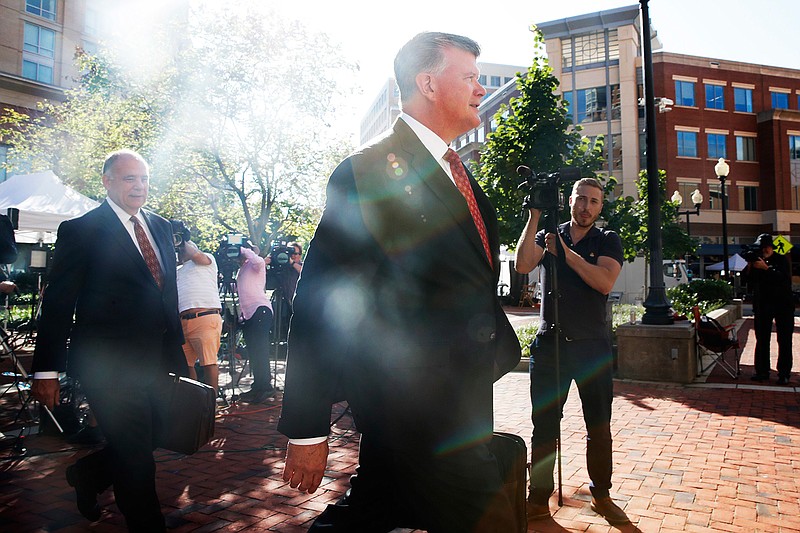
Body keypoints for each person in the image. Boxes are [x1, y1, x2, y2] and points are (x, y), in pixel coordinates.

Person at [278, 32, 520, 532]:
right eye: (470, 77)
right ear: (428, 83)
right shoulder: (367, 172)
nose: (480, 89)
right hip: (415, 412)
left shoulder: (465, 178)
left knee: (375, 509)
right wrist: (306, 427)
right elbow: (322, 301)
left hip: (462, 403)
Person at [30, 149, 185, 531]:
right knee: (136, 457)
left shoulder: (162, 227)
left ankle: (90, 474)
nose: (139, 186)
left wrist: (180, 353)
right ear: (108, 182)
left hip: (160, 359)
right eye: (130, 178)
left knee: (158, 434)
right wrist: (47, 369)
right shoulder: (81, 230)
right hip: (108, 364)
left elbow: (167, 295)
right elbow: (59, 303)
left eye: (145, 178)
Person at [514, 177, 629, 525]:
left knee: (599, 426)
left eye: (594, 201)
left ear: (600, 207)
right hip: (550, 347)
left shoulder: (607, 239)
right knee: (544, 427)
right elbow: (522, 265)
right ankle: (538, 498)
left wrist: (566, 255)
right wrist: (534, 217)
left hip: (592, 349)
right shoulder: (550, 232)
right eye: (581, 199)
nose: (586, 207)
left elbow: (604, 282)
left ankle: (601, 494)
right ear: (570, 201)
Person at [174, 225, 223, 394]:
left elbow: (194, 253)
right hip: (183, 321)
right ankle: (194, 403)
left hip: (205, 317)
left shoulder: (206, 259)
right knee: (186, 366)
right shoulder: (176, 270)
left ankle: (210, 405)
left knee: (208, 362)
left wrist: (181, 240)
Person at [747, 233, 794, 384]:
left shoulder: (781, 260)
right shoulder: (756, 262)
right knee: (762, 339)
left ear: (771, 247)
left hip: (783, 305)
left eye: (766, 247)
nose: (764, 250)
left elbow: (783, 279)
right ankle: (762, 371)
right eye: (761, 248)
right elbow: (747, 281)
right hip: (763, 304)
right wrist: (750, 266)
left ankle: (784, 373)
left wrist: (766, 268)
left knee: (784, 340)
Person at [236, 243, 276, 402]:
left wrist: (245, 250)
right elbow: (241, 288)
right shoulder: (242, 269)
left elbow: (260, 261)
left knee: (260, 350)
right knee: (253, 351)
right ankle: (258, 386)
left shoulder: (255, 264)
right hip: (249, 314)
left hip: (260, 310)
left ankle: (266, 388)